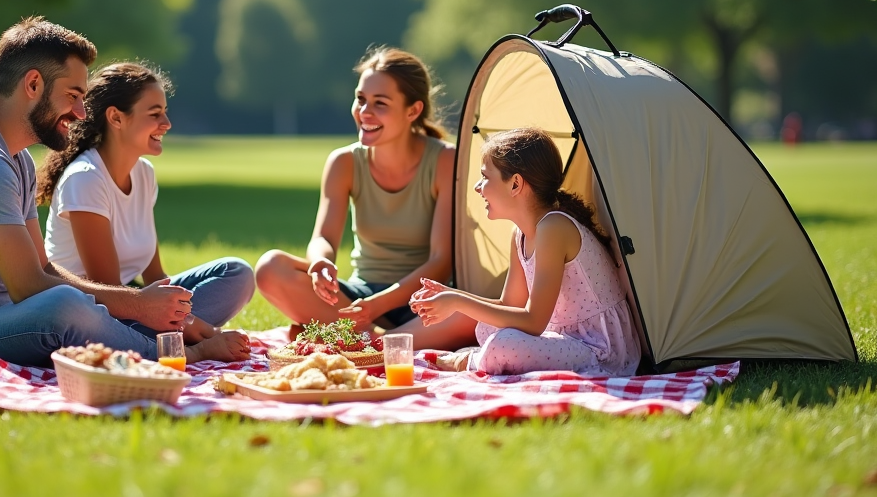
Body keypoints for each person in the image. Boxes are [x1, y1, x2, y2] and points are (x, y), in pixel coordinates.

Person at [0, 18, 213, 381]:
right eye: (72, 96)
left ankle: (140, 335)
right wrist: (136, 304)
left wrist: (141, 306)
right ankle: (171, 354)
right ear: (33, 84)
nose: (82, 114)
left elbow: (44, 268)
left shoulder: (15, 157)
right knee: (64, 305)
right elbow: (28, 287)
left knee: (75, 303)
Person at [39, 62, 252, 361]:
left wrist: (178, 311)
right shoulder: (85, 179)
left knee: (237, 273)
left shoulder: (144, 174)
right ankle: (183, 346)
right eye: (154, 114)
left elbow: (156, 278)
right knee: (120, 324)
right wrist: (195, 325)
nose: (166, 123)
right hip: (97, 312)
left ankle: (165, 339)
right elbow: (109, 290)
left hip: (136, 303)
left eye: (164, 112)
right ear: (116, 117)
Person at [410, 127, 642, 376]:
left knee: (505, 344)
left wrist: (458, 302)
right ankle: (483, 357)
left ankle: (467, 362)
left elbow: (533, 322)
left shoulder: (554, 228)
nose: (478, 187)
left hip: (602, 352)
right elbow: (509, 305)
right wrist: (452, 296)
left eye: (485, 177)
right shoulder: (520, 234)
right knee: (486, 327)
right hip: (564, 338)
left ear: (515, 184)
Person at [254, 46, 455, 332]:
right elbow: (323, 237)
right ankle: (378, 338)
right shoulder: (344, 162)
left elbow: (441, 262)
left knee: (468, 315)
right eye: (360, 99)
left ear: (413, 110)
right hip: (360, 294)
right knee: (270, 268)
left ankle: (354, 335)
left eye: (380, 103)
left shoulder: (445, 161)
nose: (364, 112)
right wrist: (320, 263)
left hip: (422, 302)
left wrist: (377, 306)